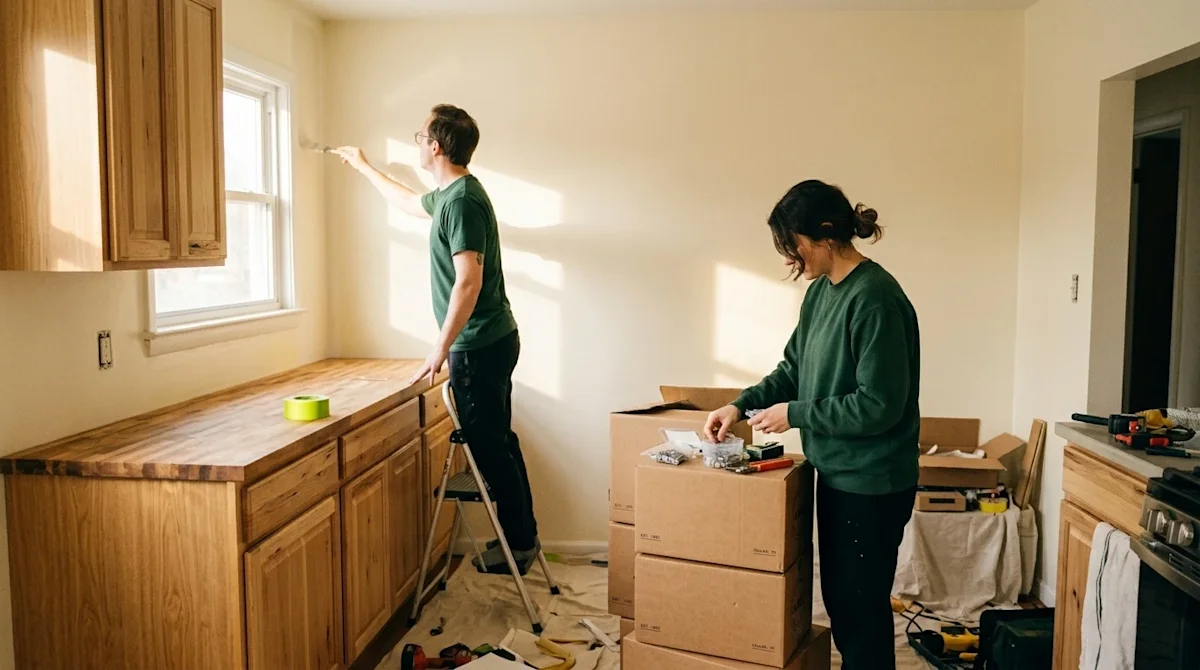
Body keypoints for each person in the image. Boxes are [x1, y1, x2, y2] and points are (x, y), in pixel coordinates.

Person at [704, 180, 920, 670]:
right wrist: (739, 405)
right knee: (845, 608)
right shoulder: (821, 292)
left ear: (825, 236)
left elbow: (880, 405)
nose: (789, 260)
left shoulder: (875, 299)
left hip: (873, 484)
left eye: (792, 246)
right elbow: (792, 371)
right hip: (840, 475)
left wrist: (794, 414)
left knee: (860, 616)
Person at [333, 105, 540, 575]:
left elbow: (468, 280)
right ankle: (523, 539)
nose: (416, 141)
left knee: (490, 448)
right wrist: (364, 166)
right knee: (498, 443)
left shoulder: (463, 200)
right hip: (490, 340)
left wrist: (441, 348)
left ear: (435, 146)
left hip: (480, 345)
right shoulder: (450, 194)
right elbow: (409, 204)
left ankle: (520, 545)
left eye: (419, 135)